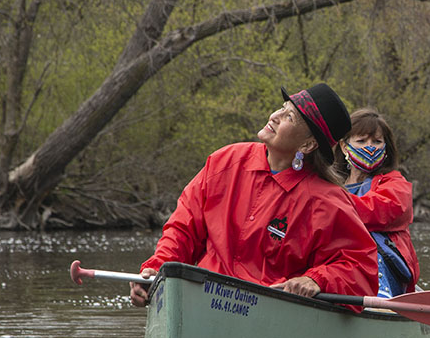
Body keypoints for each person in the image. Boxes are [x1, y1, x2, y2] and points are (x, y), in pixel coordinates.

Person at [129, 83, 378, 309]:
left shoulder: (328, 202)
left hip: (269, 309)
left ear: (308, 145)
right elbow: (182, 230)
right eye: (282, 108)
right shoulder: (223, 162)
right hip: (203, 299)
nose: (275, 116)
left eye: (289, 116)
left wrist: (315, 279)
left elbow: (360, 268)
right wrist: (157, 269)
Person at [334, 108, 420, 297]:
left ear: (386, 148)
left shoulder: (395, 182)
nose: (370, 147)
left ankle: (381, 297)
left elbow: (384, 209)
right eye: (361, 141)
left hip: (382, 263)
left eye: (377, 141)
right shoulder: (331, 185)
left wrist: (331, 207)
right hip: (339, 263)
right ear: (344, 146)